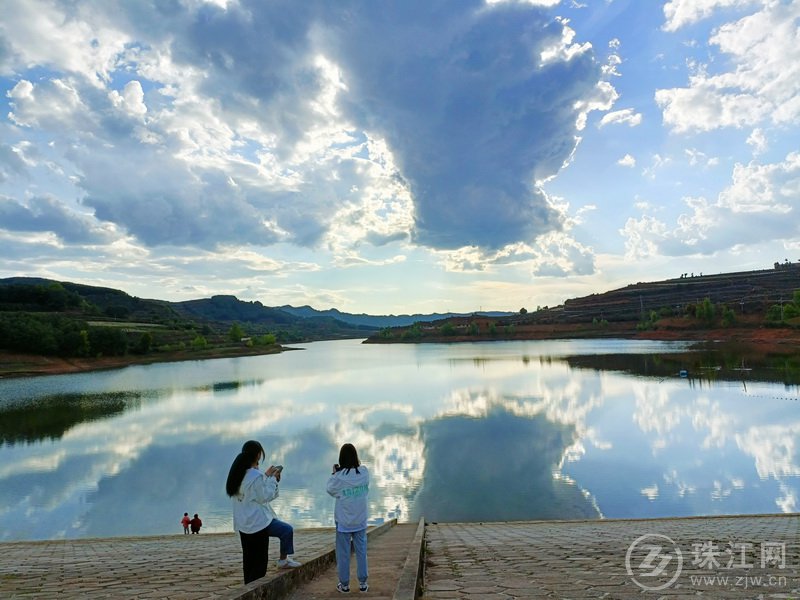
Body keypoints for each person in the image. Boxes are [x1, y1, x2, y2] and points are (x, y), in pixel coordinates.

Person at [226, 440, 301, 584]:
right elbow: (264, 496)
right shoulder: (255, 476)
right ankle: (257, 589)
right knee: (260, 564)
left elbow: (253, 494)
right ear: (258, 455)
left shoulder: (238, 474)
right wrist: (273, 480)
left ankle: (248, 588)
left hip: (243, 524)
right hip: (257, 524)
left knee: (248, 561)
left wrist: (266, 476)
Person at [327, 443, 370, 593]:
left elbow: (330, 489)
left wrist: (334, 473)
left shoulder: (338, 477)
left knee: (343, 554)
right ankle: (363, 583)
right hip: (360, 520)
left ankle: (344, 585)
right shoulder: (364, 472)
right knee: (361, 551)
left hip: (344, 522)